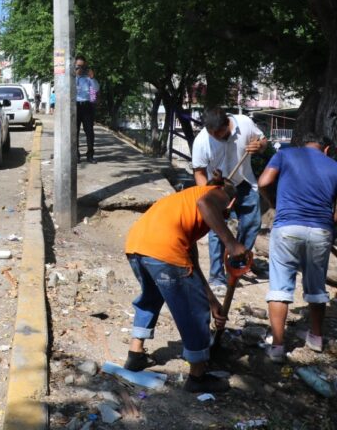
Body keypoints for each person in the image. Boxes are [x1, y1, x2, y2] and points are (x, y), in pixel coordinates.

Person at [124, 181, 246, 393]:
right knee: (194, 311)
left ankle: (135, 354)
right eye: (230, 210)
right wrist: (231, 243)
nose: (227, 214)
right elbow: (205, 203)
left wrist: (212, 300)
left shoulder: (183, 203)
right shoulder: (215, 195)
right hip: (164, 249)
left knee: (151, 297)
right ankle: (197, 377)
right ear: (232, 202)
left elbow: (192, 264)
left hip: (136, 246)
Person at [258, 133, 337, 363]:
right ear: (326, 149)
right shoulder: (334, 166)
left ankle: (278, 347)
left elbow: (263, 182)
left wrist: (273, 202)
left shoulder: (284, 154)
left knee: (280, 287)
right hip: (321, 231)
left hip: (287, 228)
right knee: (316, 287)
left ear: (303, 145)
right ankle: (316, 338)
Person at [192, 106, 267, 296]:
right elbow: (199, 172)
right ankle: (216, 277)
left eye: (220, 134)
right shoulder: (202, 141)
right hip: (217, 188)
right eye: (212, 134)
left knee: (252, 224)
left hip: (244, 182)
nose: (216, 137)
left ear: (228, 124)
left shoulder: (245, 123)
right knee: (217, 230)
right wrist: (207, 197)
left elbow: (263, 140)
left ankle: (237, 265)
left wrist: (259, 146)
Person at [74, 55, 99, 163]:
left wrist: (92, 78)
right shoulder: (71, 77)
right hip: (74, 106)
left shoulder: (88, 77)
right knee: (74, 132)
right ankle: (76, 155)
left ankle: (90, 155)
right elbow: (67, 89)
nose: (80, 68)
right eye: (78, 66)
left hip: (87, 105)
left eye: (82, 66)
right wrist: (76, 76)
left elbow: (95, 90)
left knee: (89, 132)